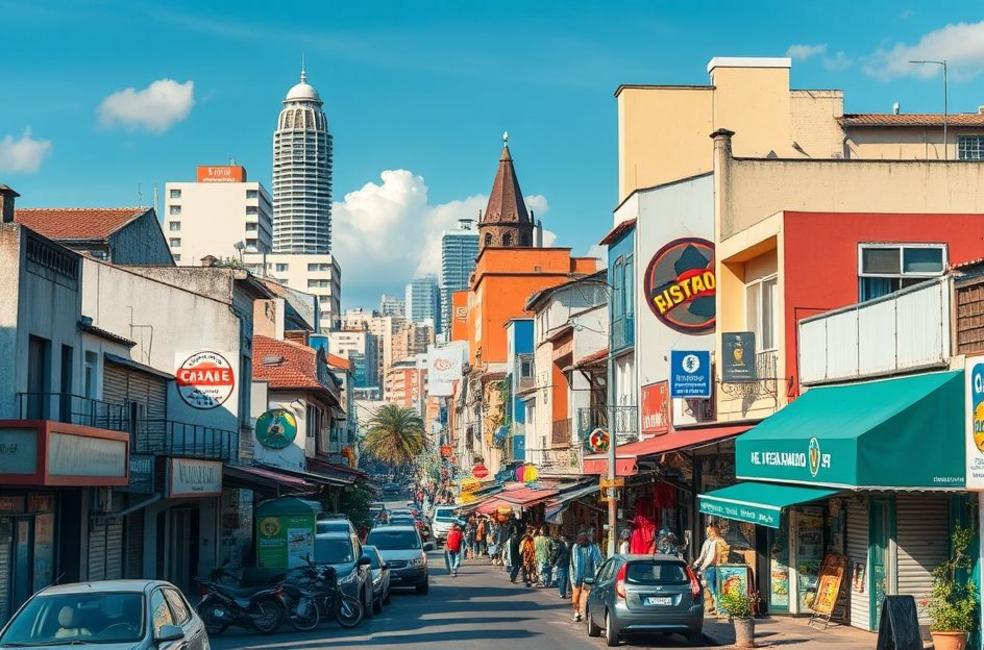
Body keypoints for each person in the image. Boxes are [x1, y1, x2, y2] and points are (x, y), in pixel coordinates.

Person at [570, 531, 603, 622]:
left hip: (588, 577)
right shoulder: (575, 548)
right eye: (581, 539)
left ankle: (582, 613)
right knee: (576, 596)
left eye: (584, 539)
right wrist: (575, 577)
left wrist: (596, 575)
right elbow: (574, 563)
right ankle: (577, 612)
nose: (583, 541)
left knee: (585, 596)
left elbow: (597, 562)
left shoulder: (592, 548)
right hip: (575, 576)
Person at [694, 523, 723, 614]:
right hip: (720, 568)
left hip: (710, 567)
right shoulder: (721, 541)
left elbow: (705, 557)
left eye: (709, 531)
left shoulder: (710, 542)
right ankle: (713, 606)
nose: (708, 533)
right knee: (716, 588)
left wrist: (697, 565)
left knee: (710, 588)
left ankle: (716, 606)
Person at [552, 532, 572, 599]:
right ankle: (562, 593)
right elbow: (556, 554)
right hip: (561, 563)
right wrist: (553, 562)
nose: (562, 538)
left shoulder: (571, 544)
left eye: (564, 537)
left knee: (568, 578)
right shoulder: (559, 545)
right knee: (563, 578)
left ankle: (568, 591)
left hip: (569, 563)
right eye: (562, 537)